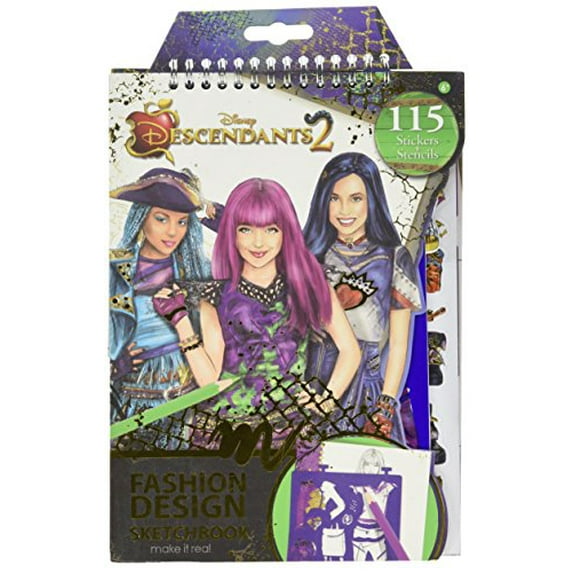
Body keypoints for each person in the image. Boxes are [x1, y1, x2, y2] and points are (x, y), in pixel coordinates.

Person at [153, 177, 360, 439]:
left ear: (286, 232)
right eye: (246, 230)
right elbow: (209, 381)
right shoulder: (214, 295)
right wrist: (180, 321)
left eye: (271, 229)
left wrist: (326, 400)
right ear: (231, 233)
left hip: (290, 431)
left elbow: (350, 350)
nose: (258, 243)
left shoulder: (308, 285)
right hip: (224, 435)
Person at [303, 152, 422, 443]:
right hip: (312, 381)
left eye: (356, 198)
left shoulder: (393, 258)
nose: (344, 210)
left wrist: (386, 403)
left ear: (373, 200)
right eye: (334, 198)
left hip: (365, 391)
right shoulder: (308, 255)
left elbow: (398, 344)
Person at [109, 167, 211, 424]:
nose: (172, 232)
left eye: (182, 222)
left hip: (185, 401)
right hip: (127, 400)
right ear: (141, 217)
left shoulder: (199, 272)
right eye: (162, 219)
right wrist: (113, 364)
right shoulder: (113, 269)